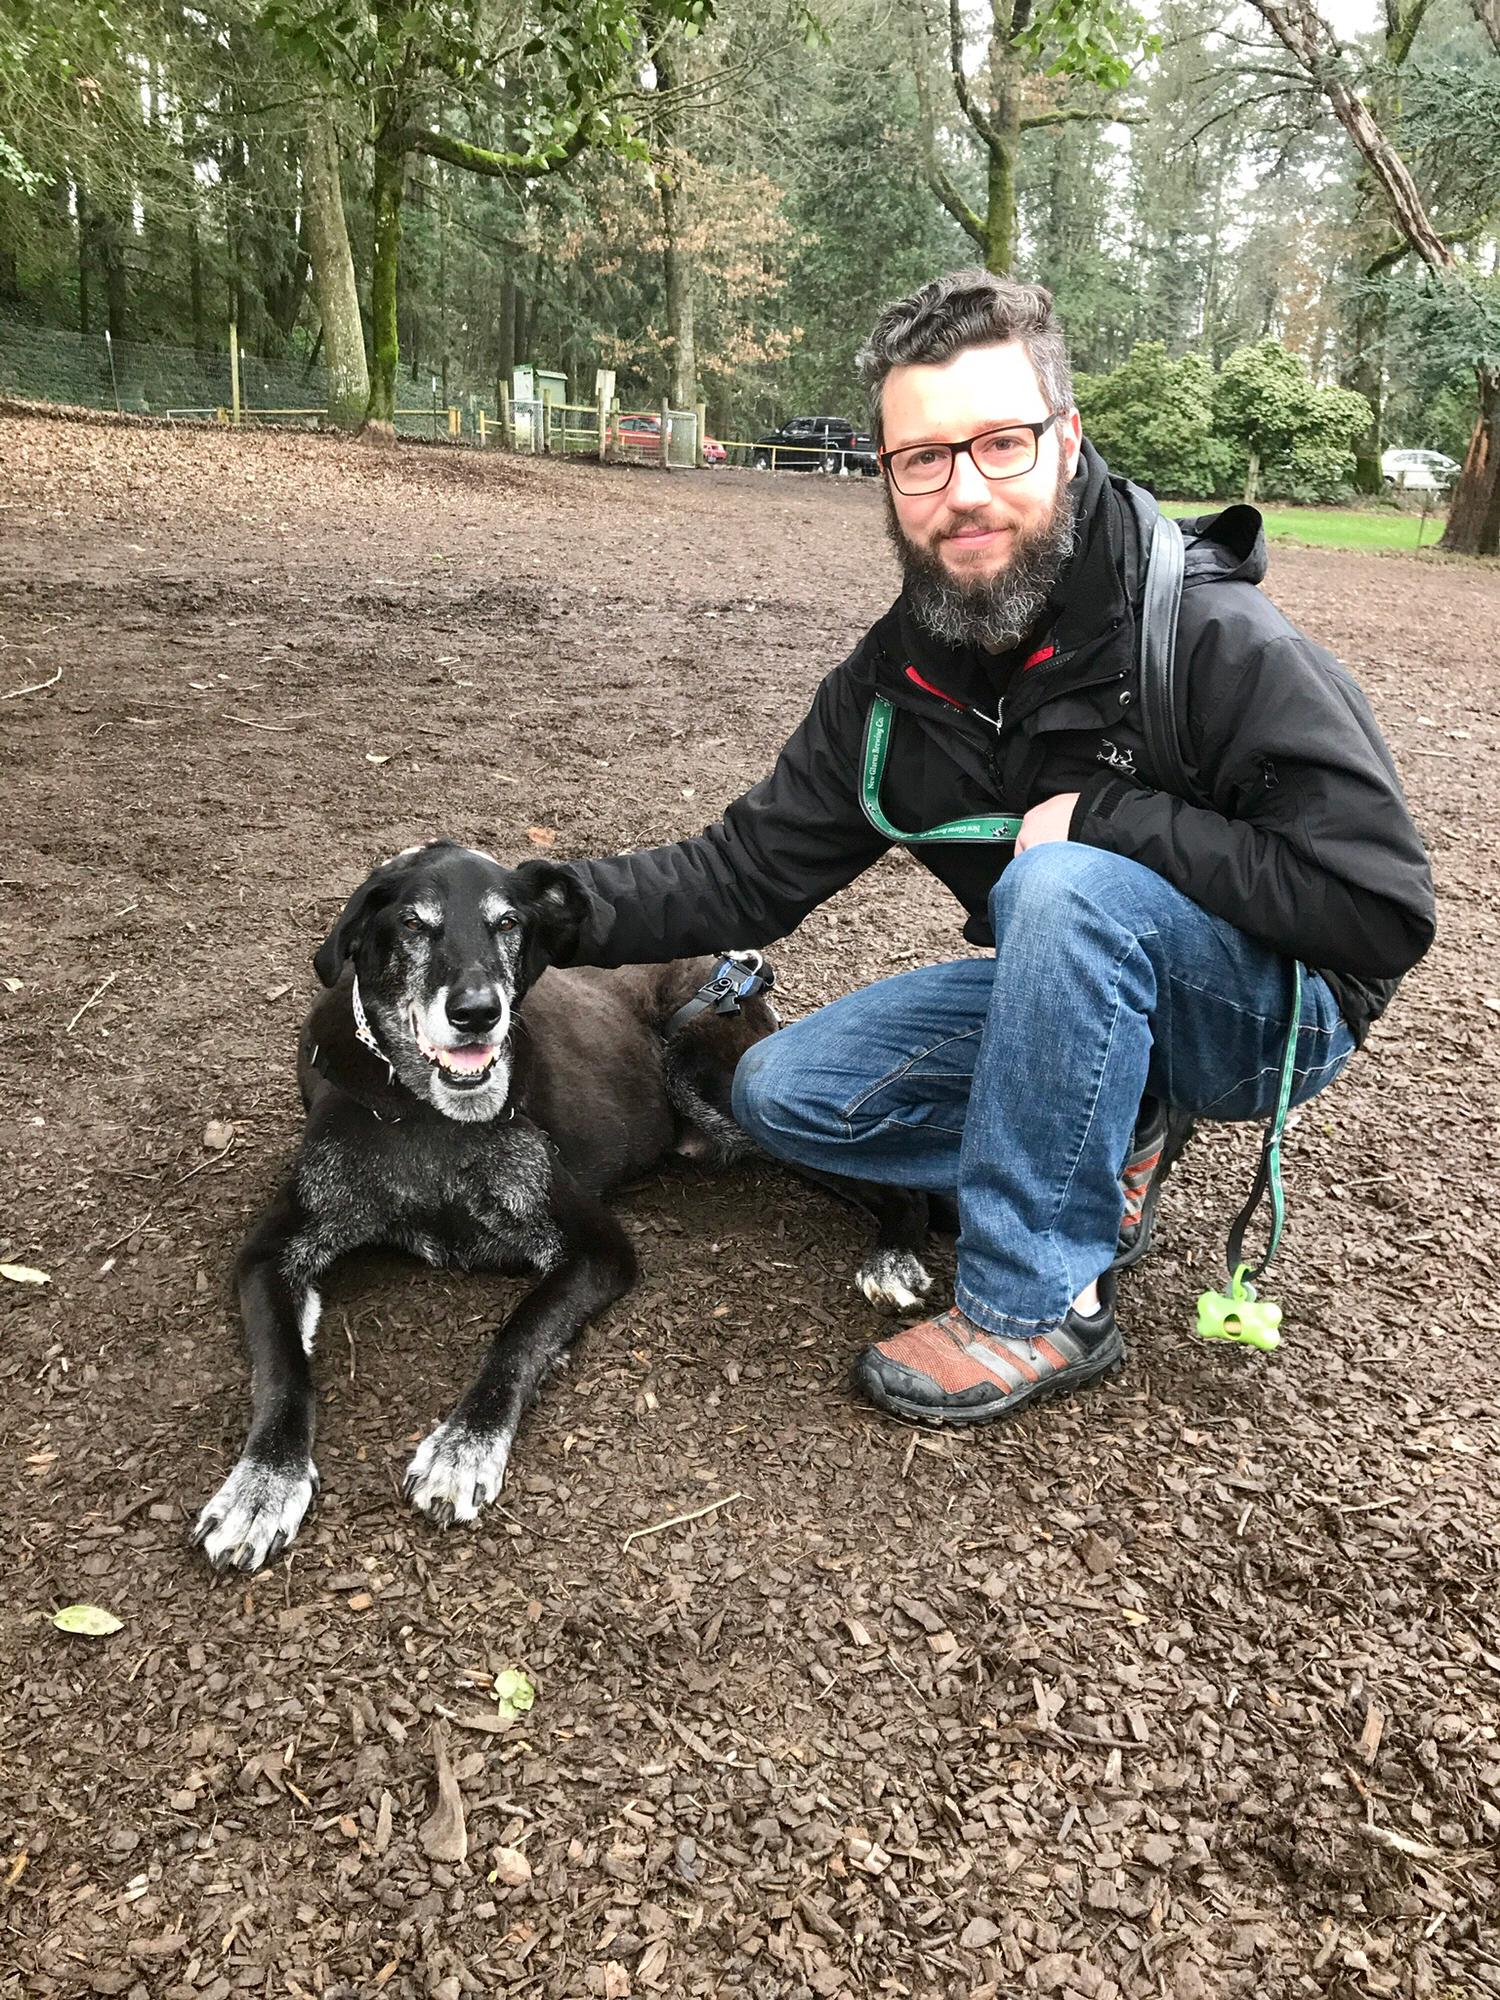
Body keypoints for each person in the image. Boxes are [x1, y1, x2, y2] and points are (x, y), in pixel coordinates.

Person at [560, 269, 1435, 1427]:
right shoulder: (893, 687)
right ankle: (1116, 1127)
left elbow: (1381, 912)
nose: (963, 491)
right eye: (923, 458)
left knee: (1062, 880)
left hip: (1275, 1013)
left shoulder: (1209, 637)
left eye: (1000, 444)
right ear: (887, 479)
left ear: (1066, 443)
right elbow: (741, 873)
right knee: (781, 1090)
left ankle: (1038, 1305)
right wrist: (541, 909)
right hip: (1085, 985)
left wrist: (1115, 820)